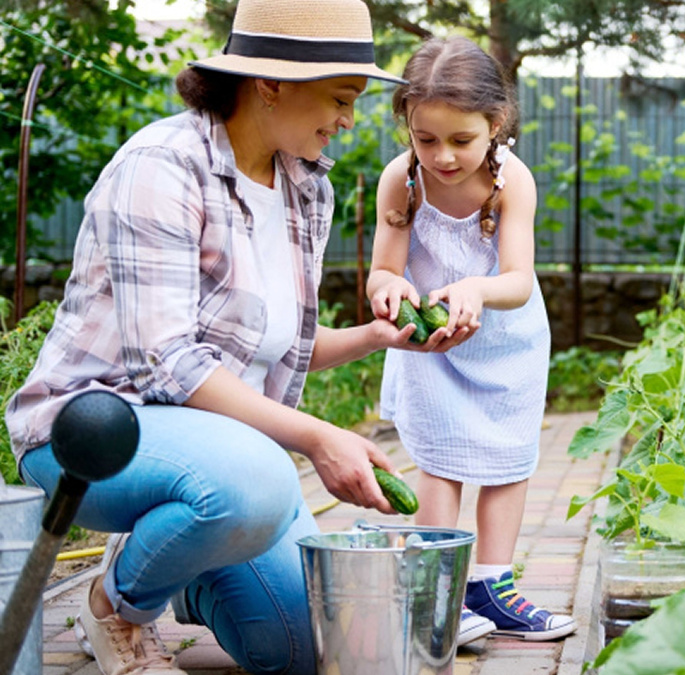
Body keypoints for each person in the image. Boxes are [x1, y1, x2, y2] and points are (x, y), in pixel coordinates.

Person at [2, 1, 436, 673]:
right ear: (272, 82)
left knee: (302, 647)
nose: (349, 120)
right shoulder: (161, 167)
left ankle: (183, 556)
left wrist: (379, 336)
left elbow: (276, 347)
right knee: (257, 477)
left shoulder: (304, 187)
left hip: (218, 452)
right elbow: (171, 367)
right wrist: (318, 436)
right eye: (342, 98)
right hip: (89, 435)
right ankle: (115, 605)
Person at [367, 36, 577, 644]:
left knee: (507, 461)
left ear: (496, 124)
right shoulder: (399, 181)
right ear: (407, 124)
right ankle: (439, 594)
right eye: (425, 139)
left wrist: (475, 291)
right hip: (433, 347)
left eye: (461, 141)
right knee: (440, 461)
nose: (443, 157)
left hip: (506, 343)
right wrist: (388, 291)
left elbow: (516, 280)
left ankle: (492, 585)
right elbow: (385, 268)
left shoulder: (512, 182)